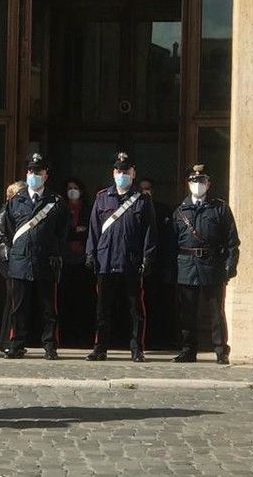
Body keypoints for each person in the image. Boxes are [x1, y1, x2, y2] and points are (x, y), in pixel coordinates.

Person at [85, 152, 157, 362]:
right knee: (102, 309)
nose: (121, 174)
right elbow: (94, 230)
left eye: (125, 171)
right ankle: (100, 348)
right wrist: (90, 254)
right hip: (105, 261)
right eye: (118, 171)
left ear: (133, 173)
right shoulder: (102, 198)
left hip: (131, 261)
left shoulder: (142, 200)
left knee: (135, 309)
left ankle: (137, 349)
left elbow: (149, 233)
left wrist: (148, 258)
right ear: (113, 173)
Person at [0, 153, 70, 360]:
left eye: (38, 172)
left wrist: (53, 251)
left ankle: (49, 345)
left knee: (48, 308)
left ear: (46, 175)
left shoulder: (55, 202)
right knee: (18, 307)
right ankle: (17, 344)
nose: (34, 175)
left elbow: (63, 231)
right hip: (20, 260)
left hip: (44, 260)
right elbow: (8, 227)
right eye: (31, 171)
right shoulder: (16, 200)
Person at [171, 165, 240, 364]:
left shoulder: (220, 208)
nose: (198, 185)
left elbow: (232, 241)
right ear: (189, 184)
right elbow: (172, 243)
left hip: (212, 264)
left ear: (208, 184)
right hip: (186, 264)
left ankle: (220, 350)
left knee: (216, 311)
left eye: (202, 181)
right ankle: (188, 350)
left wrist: (230, 266)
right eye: (194, 181)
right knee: (187, 311)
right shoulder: (180, 211)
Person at [138, 177, 177, 349]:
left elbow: (169, 239)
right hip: (138, 264)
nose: (146, 191)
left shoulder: (162, 209)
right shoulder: (133, 208)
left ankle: (161, 340)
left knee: (160, 305)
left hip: (159, 265)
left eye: (148, 188)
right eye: (142, 189)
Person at [0, 180, 26, 353]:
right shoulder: (8, 209)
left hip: (15, 258)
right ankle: (7, 340)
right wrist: (11, 245)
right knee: (13, 300)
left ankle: (9, 339)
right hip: (8, 258)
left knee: (14, 300)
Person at [59, 178, 93, 348]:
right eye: (69, 188)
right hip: (65, 260)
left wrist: (79, 232)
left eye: (75, 188)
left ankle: (83, 337)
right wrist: (75, 231)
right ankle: (66, 337)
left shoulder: (88, 209)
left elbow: (90, 231)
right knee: (65, 301)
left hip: (83, 261)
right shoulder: (62, 208)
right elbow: (61, 232)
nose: (72, 191)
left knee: (83, 301)